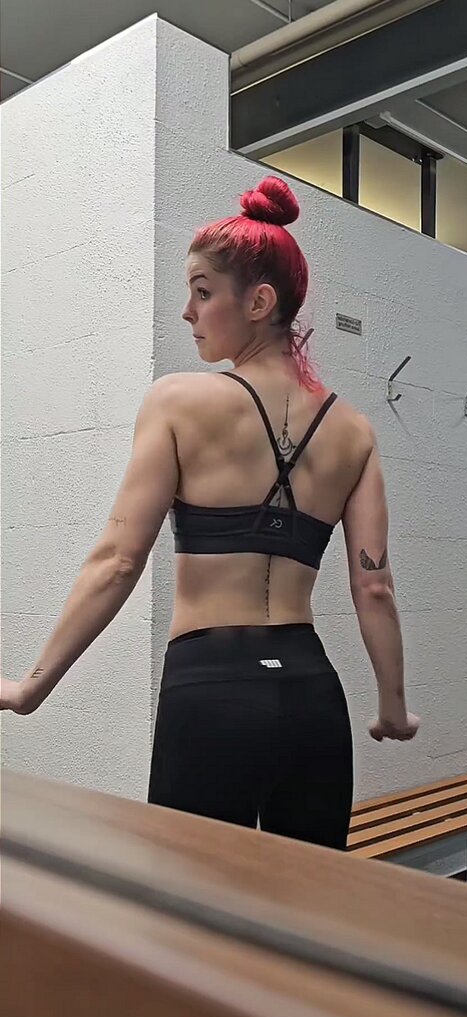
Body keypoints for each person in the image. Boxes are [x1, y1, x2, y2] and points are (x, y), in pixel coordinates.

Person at [1, 175, 419, 851]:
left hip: (211, 692)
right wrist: (393, 707)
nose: (188, 312)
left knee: (191, 902)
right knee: (307, 900)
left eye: (202, 292)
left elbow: (118, 562)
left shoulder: (177, 403)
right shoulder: (355, 431)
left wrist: (31, 687)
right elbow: (374, 586)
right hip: (312, 696)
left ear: (258, 302)